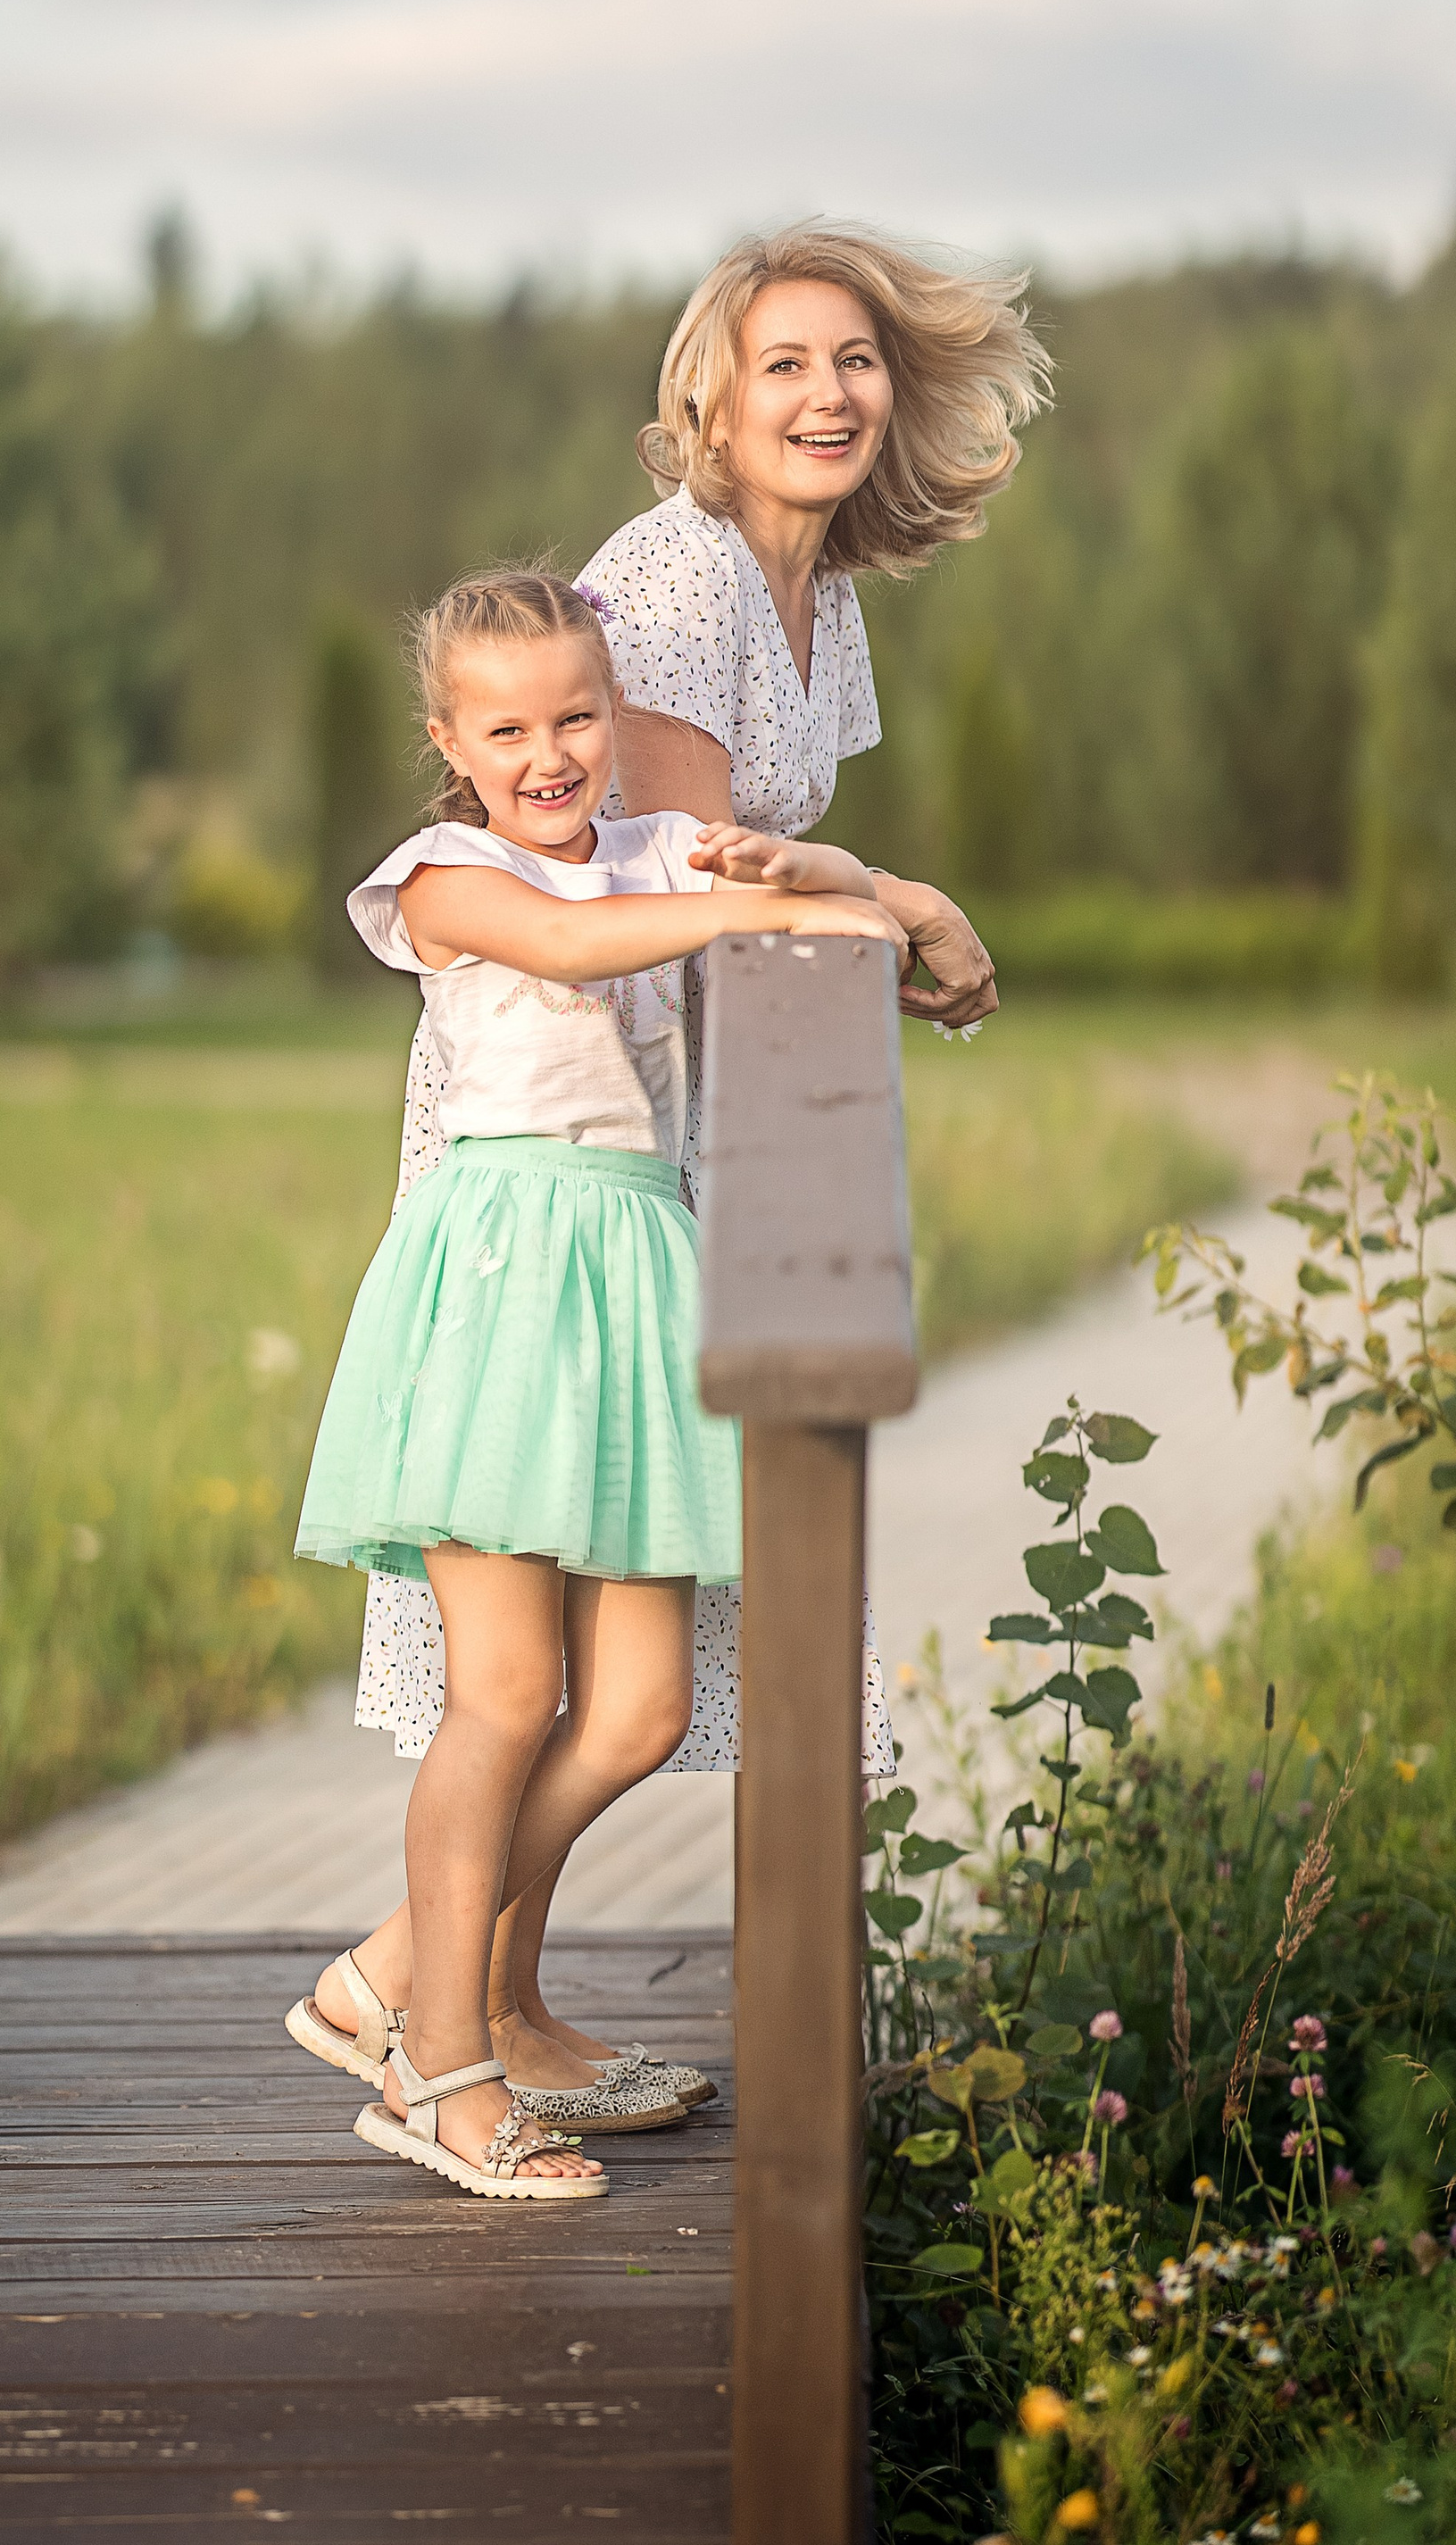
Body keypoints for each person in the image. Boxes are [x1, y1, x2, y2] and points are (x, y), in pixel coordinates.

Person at [345, 223, 1052, 2107]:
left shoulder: (818, 599)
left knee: (632, 1665)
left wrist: (892, 930)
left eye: (854, 362)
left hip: (656, 1148)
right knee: (543, 1654)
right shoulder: (664, 588)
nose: (826, 396)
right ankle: (428, 1995)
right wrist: (898, 904)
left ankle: (469, 1991)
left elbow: (730, 881)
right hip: (565, 1148)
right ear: (710, 405)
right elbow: (689, 885)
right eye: (783, 366)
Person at [287, 567, 906, 2198]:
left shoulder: (649, 846)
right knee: (504, 1694)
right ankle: (440, 2063)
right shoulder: (444, 876)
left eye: (579, 715)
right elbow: (569, 941)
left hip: (630, 1280)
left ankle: (396, 1962)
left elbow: (796, 874)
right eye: (509, 727)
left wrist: (844, 886)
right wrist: (755, 908)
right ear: (452, 740)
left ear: (613, 716)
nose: (551, 752)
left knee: (634, 1706)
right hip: (504, 1286)